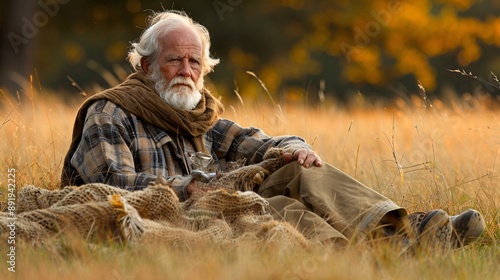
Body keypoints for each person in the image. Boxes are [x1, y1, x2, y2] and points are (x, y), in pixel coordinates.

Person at [60, 10, 485, 249]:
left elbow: (258, 143)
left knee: (297, 169)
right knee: (270, 207)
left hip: (220, 206)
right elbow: (112, 188)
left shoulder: (200, 116)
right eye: (174, 60)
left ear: (204, 69)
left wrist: (297, 147)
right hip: (173, 220)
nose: (185, 71)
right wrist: (189, 186)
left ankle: (403, 234)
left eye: (194, 62)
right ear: (146, 65)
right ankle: (366, 260)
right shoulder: (112, 113)